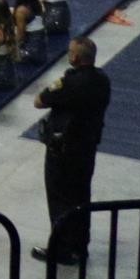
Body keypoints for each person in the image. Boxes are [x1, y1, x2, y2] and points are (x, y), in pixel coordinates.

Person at [33, 37, 111, 266]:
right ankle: (80, 246)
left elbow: (39, 101)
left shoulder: (69, 83)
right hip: (87, 149)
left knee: (59, 200)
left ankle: (61, 249)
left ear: (75, 57)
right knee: (81, 197)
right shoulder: (102, 80)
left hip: (64, 151)